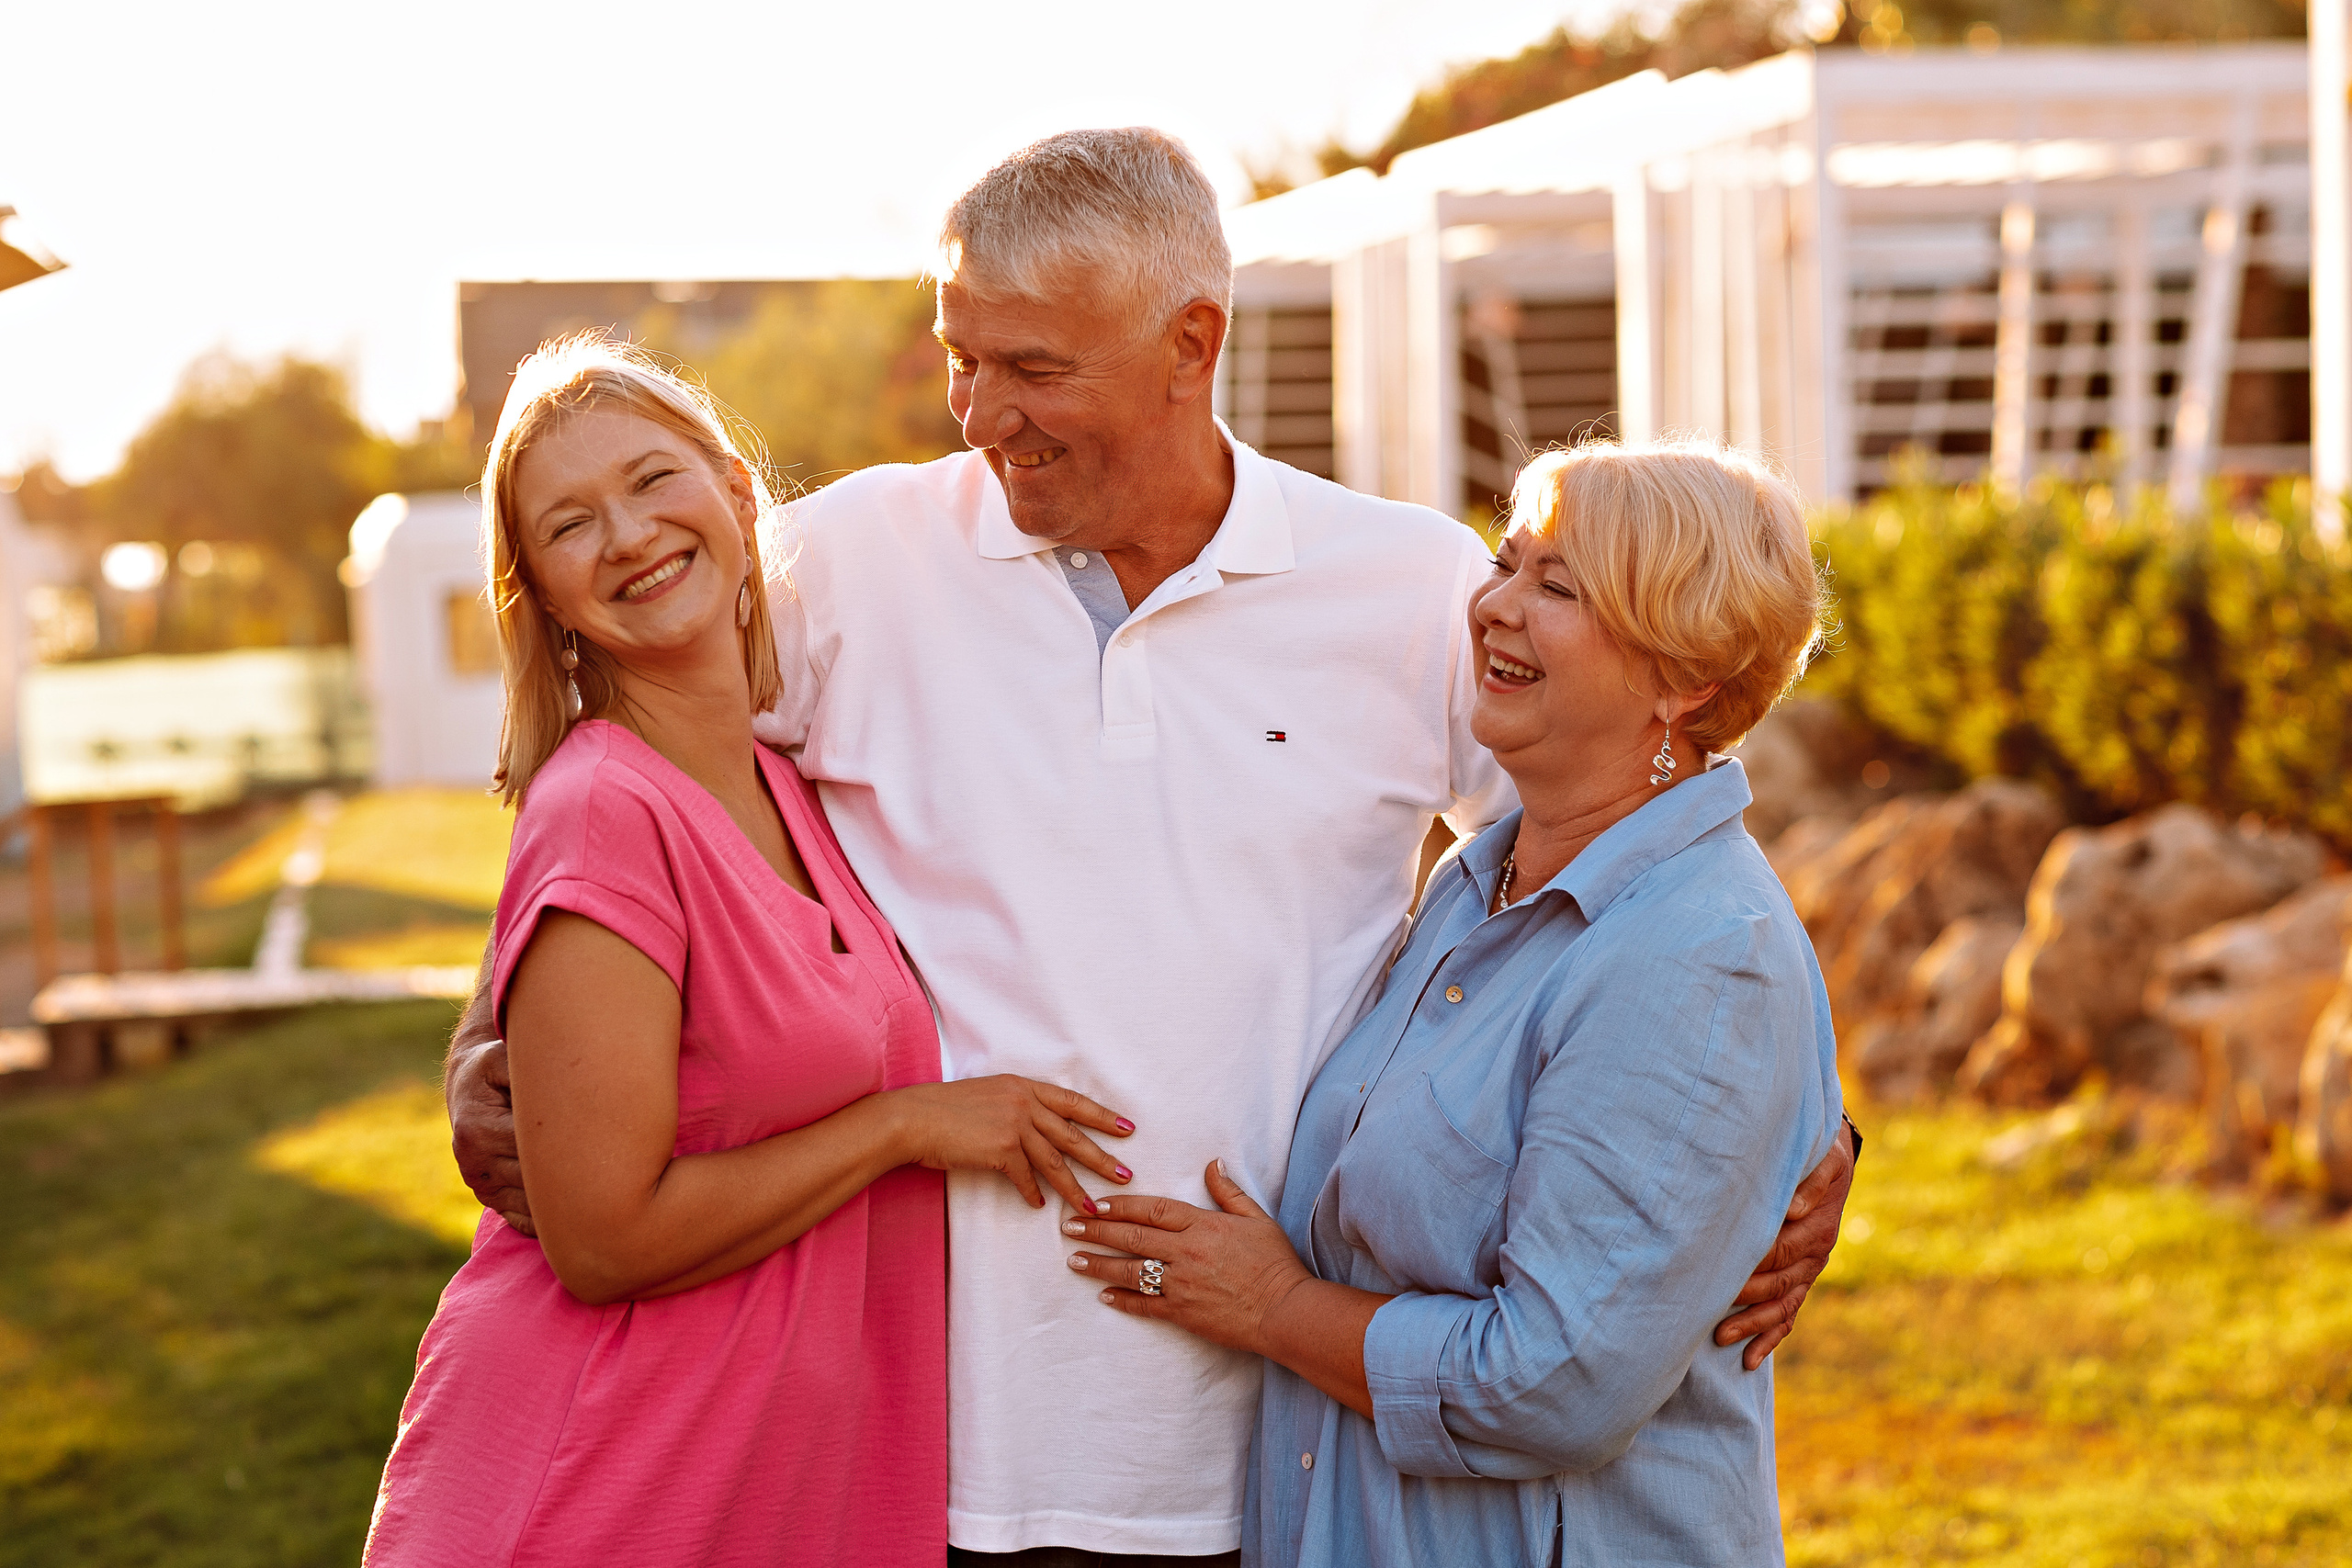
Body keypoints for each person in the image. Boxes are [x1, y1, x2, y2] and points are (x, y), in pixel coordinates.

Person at [444, 130, 1857, 1565]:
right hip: (935, 1445)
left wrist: (1805, 1129)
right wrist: (484, 1040)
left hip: (1293, 1444)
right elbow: (631, 802)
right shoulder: (846, 563)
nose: (981, 412)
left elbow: (1630, 860)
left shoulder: (1410, 584)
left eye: (1034, 369)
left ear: (1192, 343)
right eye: (961, 356)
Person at [367, 338, 1136, 1568]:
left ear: (734, 492)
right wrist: (909, 1124)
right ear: (546, 596)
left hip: (766, 1478)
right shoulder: (603, 808)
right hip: (607, 1479)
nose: (625, 535)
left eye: (651, 479)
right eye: (571, 523)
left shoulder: (788, 773)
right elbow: (605, 1237)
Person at [1059, 438, 1843, 1567]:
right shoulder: (1477, 885)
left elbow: (1555, 1385)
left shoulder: (1699, 955)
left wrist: (1271, 1309)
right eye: (1508, 562)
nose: (1493, 609)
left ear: (1686, 681)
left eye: (1558, 588)